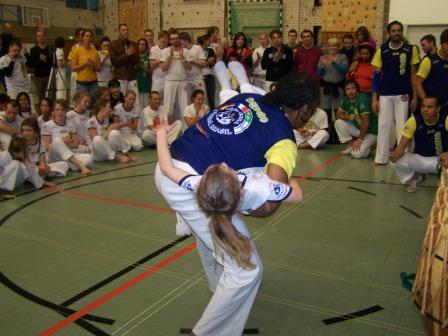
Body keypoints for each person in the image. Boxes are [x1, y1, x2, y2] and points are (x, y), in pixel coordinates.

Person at [155, 59, 319, 336]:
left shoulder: (248, 97)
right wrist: (242, 201)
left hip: (168, 169)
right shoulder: (284, 141)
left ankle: (218, 286)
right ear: (304, 109)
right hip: (193, 189)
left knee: (209, 232)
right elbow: (268, 205)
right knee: (247, 270)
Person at [371, 20, 420, 165]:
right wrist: (375, 98)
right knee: (383, 125)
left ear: (402, 32)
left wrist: (415, 97)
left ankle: (402, 158)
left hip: (403, 93)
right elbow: (376, 76)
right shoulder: (382, 50)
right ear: (389, 33)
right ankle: (381, 159)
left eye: (399, 30)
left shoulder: (411, 49)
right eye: (394, 31)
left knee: (402, 126)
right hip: (385, 93)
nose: (396, 33)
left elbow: (414, 76)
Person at [390, 96, 447, 192]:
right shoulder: (414, 120)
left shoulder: (445, 119)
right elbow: (401, 147)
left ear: (438, 109)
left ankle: (443, 181)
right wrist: (395, 154)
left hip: (439, 160)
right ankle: (414, 177)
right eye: (423, 106)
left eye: (430, 107)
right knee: (396, 160)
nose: (425, 110)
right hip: (419, 159)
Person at [41, 99, 92, 175]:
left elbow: (76, 144)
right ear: (53, 112)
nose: (60, 112)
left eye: (63, 110)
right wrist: (62, 141)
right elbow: (48, 147)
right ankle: (80, 166)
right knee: (57, 140)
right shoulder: (47, 125)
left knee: (90, 158)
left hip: (67, 153)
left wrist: (66, 144)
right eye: (57, 110)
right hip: (53, 156)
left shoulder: (70, 124)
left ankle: (67, 164)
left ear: (66, 112)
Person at [334, 80, 378, 158]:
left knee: (356, 154)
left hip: (371, 132)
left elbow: (366, 122)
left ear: (357, 89)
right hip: (359, 129)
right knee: (338, 123)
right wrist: (348, 117)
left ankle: (373, 145)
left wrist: (359, 140)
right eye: (348, 89)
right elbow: (338, 114)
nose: (350, 91)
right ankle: (352, 145)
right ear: (345, 91)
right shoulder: (346, 99)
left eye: (353, 88)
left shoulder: (362, 99)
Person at [88, 98, 136, 163]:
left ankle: (128, 154)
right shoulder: (91, 122)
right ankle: (117, 158)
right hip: (98, 154)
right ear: (102, 108)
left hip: (108, 153)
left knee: (114, 132)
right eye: (109, 107)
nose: (110, 109)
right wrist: (109, 129)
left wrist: (125, 123)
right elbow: (96, 142)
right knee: (97, 139)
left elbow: (112, 130)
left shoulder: (106, 120)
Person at [160, 29, 192, 122]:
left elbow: (189, 68)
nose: (175, 40)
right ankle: (167, 131)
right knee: (168, 107)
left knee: (184, 107)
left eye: (177, 38)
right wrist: (170, 57)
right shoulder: (165, 51)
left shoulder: (185, 51)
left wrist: (182, 57)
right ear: (170, 40)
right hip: (170, 81)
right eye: (173, 39)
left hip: (182, 81)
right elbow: (163, 68)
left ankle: (185, 132)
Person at [415, 29, 448, 113]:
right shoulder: (428, 61)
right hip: (434, 110)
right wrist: (427, 104)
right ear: (441, 43)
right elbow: (417, 82)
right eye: (447, 44)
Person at [318, 37, 348, 127]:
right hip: (325, 87)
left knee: (338, 110)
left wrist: (333, 62)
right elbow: (319, 73)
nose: (332, 48)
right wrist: (322, 67)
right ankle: (328, 132)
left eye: (335, 45)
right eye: (330, 45)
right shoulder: (323, 57)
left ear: (338, 47)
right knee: (325, 111)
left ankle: (339, 132)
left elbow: (343, 70)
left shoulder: (343, 57)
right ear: (328, 47)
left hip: (338, 87)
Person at [110, 24, 140, 100]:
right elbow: (114, 61)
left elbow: (137, 61)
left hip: (132, 76)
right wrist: (126, 54)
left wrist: (132, 54)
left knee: (135, 99)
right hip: (121, 76)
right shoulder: (114, 44)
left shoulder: (133, 44)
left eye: (127, 30)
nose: (126, 32)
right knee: (122, 98)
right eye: (123, 30)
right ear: (119, 32)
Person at [71, 29, 100, 100]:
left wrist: (93, 65)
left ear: (92, 38)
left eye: (90, 36)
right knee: (82, 103)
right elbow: (73, 68)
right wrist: (85, 64)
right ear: (83, 38)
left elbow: (99, 69)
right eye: (86, 36)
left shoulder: (95, 52)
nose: (88, 38)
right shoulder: (76, 51)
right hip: (81, 83)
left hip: (93, 82)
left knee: (92, 103)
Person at [27, 30, 52, 100]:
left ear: (45, 37)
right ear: (36, 38)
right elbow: (31, 64)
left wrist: (46, 60)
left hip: (49, 76)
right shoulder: (33, 50)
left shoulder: (50, 49)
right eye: (39, 36)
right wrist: (39, 59)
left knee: (49, 97)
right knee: (40, 97)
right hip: (38, 77)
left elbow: (53, 63)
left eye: (42, 36)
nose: (41, 38)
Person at [180, 32, 206, 99]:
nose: (180, 43)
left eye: (181, 41)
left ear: (186, 40)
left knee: (201, 99)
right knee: (187, 101)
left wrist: (192, 60)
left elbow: (203, 63)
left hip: (197, 79)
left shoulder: (197, 48)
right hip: (186, 79)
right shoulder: (181, 50)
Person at [198, 33, 216, 109]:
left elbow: (213, 62)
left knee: (211, 98)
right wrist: (207, 62)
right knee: (202, 98)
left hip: (210, 76)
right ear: (204, 41)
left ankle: (212, 113)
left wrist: (207, 63)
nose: (210, 42)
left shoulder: (211, 50)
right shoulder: (197, 50)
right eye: (208, 40)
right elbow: (201, 64)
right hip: (200, 76)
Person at [149, 30, 169, 98]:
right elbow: (151, 65)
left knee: (167, 100)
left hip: (168, 80)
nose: (164, 40)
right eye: (162, 38)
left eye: (166, 38)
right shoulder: (153, 49)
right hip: (157, 80)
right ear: (159, 39)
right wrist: (161, 60)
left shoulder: (170, 50)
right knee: (155, 99)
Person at [136, 38, 152, 110]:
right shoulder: (134, 56)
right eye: (139, 44)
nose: (141, 46)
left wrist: (142, 66)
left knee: (146, 105)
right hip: (137, 82)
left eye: (143, 44)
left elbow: (150, 71)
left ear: (146, 46)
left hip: (146, 82)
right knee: (137, 104)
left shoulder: (149, 56)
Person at [54, 36, 67, 100]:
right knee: (61, 88)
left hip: (59, 72)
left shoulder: (56, 51)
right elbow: (59, 64)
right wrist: (66, 63)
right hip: (61, 72)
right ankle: (61, 101)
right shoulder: (60, 51)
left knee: (60, 88)